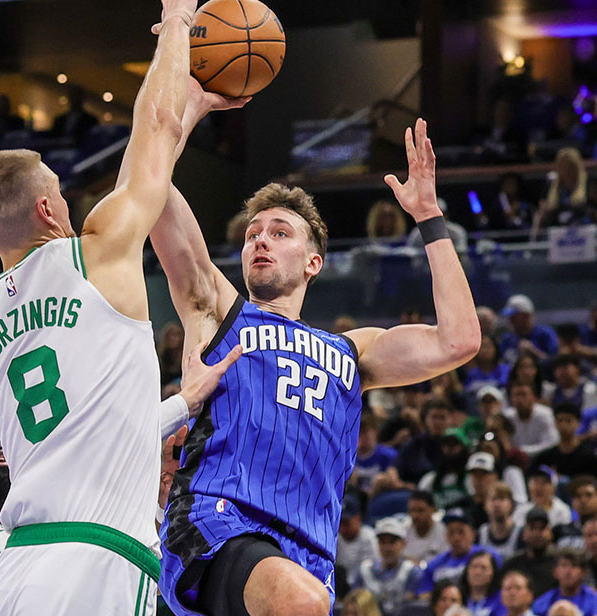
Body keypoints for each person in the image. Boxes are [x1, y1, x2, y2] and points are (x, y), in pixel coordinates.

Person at [0, 0, 225, 615]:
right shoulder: (95, 256)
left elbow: (81, 433)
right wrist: (177, 23)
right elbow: (152, 136)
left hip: (20, 568)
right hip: (104, 557)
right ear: (48, 212)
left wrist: (182, 403)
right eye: (57, 190)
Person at [152, 107, 481, 613]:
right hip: (218, 523)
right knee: (298, 602)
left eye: (280, 232)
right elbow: (154, 186)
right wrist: (180, 112)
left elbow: (458, 341)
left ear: (313, 262)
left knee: (303, 599)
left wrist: (429, 218)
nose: (260, 238)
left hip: (307, 551)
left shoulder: (353, 350)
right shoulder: (220, 312)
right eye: (252, 234)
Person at [418, 509, 501, 596]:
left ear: (473, 535)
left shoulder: (489, 557)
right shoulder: (434, 565)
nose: (456, 538)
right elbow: (425, 595)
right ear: (446, 536)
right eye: (451, 532)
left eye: (461, 532)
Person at [352, 517, 422, 616]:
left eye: (392, 542)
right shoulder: (364, 571)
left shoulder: (412, 572)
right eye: (382, 542)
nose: (387, 547)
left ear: (403, 543)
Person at [534, 403, 597, 480]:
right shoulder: (545, 457)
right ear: (555, 423)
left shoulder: (589, 458)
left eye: (568, 421)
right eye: (560, 420)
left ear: (578, 424)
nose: (563, 425)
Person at [532, 548, 597, 616]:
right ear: (555, 572)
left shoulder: (596, 601)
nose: (568, 571)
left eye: (574, 565)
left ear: (584, 572)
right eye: (564, 565)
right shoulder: (542, 604)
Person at [505, 508, 557, 596]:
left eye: (542, 528)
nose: (537, 533)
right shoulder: (511, 565)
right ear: (523, 533)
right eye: (532, 528)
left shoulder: (559, 563)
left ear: (550, 533)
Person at [504, 382, 560, 460]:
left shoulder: (546, 414)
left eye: (524, 395)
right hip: (515, 460)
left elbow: (552, 442)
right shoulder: (507, 417)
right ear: (511, 399)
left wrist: (522, 451)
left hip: (541, 458)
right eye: (516, 395)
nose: (520, 399)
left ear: (533, 397)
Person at [499, 295, 559, 365]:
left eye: (514, 316)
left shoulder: (545, 333)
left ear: (526, 316)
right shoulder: (507, 338)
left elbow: (555, 361)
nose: (510, 319)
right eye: (510, 316)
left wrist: (534, 352)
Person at [479, 482, 522, 560]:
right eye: (493, 499)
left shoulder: (521, 533)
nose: (497, 504)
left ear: (511, 505)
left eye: (502, 499)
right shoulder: (481, 533)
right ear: (485, 505)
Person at [338, 495, 379, 578]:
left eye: (346, 523)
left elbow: (372, 573)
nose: (342, 529)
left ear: (358, 518)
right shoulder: (336, 538)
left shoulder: (369, 537)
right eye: (339, 523)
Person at [406, 490, 449, 563]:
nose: (415, 516)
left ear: (433, 509)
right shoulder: (402, 531)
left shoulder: (444, 532)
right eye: (412, 510)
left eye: (420, 511)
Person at [462, 550, 505, 616]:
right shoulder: (458, 597)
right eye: (474, 567)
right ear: (467, 571)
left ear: (493, 573)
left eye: (483, 568)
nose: (477, 572)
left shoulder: (502, 598)